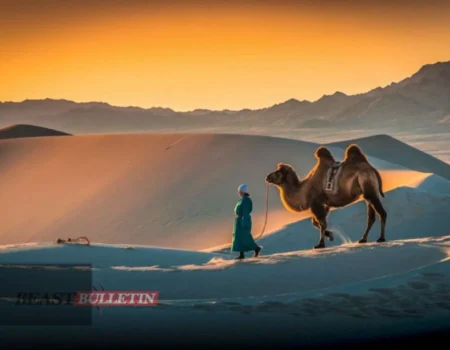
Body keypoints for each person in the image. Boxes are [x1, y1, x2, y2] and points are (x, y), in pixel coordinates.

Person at [231, 184, 262, 260]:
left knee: (245, 237)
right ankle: (241, 254)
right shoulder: (242, 200)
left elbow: (245, 212)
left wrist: (244, 222)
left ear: (242, 191)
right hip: (239, 220)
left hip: (243, 220)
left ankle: (256, 248)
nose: (239, 192)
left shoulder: (246, 200)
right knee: (239, 237)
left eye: (239, 191)